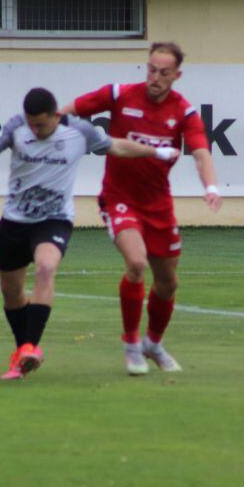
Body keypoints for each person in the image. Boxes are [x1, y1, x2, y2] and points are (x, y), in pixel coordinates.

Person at [0, 87, 179, 381]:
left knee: (46, 267)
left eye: (41, 124)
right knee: (11, 292)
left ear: (56, 116)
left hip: (54, 220)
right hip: (15, 221)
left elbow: (118, 146)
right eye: (32, 124)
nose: (35, 130)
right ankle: (24, 351)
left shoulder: (79, 131)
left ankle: (29, 347)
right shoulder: (17, 126)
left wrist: (158, 151)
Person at [59, 41, 222, 375]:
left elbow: (201, 151)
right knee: (136, 263)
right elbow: (69, 110)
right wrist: (50, 127)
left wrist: (211, 187)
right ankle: (131, 344)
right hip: (119, 197)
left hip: (159, 205)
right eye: (151, 70)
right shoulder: (119, 95)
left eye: (163, 73)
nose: (155, 78)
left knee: (168, 282)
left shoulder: (184, 112)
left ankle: (153, 343)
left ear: (177, 75)